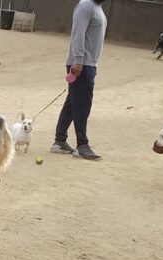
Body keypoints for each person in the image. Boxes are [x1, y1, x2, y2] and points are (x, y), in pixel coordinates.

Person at [50, 0, 107, 161]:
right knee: (82, 104)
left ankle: (60, 141)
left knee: (73, 102)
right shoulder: (86, 6)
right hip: (82, 63)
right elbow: (78, 34)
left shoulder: (97, 8)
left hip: (89, 63)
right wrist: (78, 60)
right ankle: (82, 145)